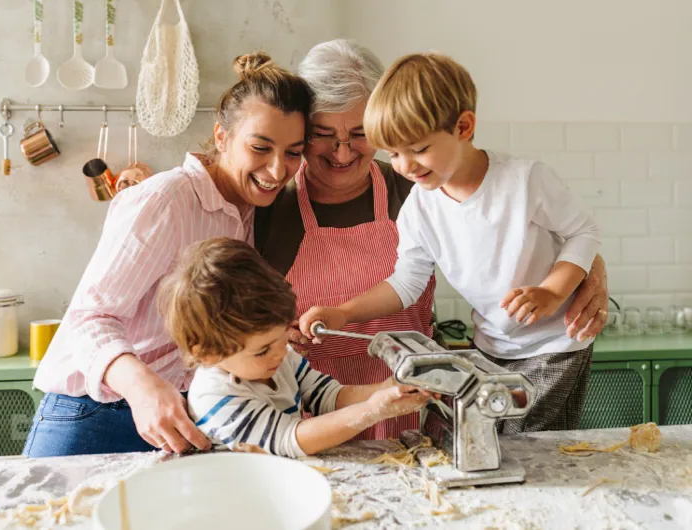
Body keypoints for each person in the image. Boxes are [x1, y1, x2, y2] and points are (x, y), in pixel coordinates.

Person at [255, 40, 610, 439]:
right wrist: (326, 319)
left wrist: (567, 283)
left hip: (438, 388)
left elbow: (575, 231)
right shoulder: (270, 204)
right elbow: (406, 280)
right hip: (314, 404)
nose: (342, 153)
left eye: (359, 135)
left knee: (520, 450)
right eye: (323, 135)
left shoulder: (450, 184)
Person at [23, 52, 313, 457]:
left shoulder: (252, 212)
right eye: (261, 147)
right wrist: (141, 387)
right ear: (222, 137)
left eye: (294, 152)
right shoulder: (164, 200)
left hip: (180, 415)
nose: (278, 169)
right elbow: (89, 317)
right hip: (96, 412)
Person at [161, 237, 433, 456]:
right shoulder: (216, 396)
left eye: (282, 336)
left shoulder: (279, 357)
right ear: (207, 353)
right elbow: (291, 438)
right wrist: (373, 410)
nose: (282, 351)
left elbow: (329, 397)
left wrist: (387, 389)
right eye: (263, 350)